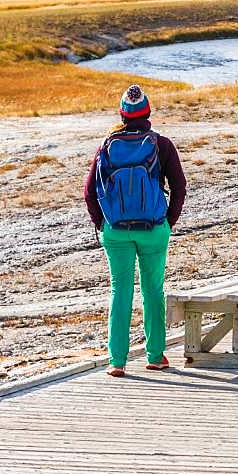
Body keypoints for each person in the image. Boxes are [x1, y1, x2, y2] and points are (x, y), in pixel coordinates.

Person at [84, 84, 186, 377]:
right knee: (153, 290)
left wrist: (101, 223)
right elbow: (179, 187)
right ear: (148, 113)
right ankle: (155, 356)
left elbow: (89, 192)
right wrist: (168, 222)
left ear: (122, 113)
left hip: (116, 231)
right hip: (153, 229)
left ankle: (117, 361)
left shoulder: (107, 144)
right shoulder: (161, 144)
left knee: (120, 291)